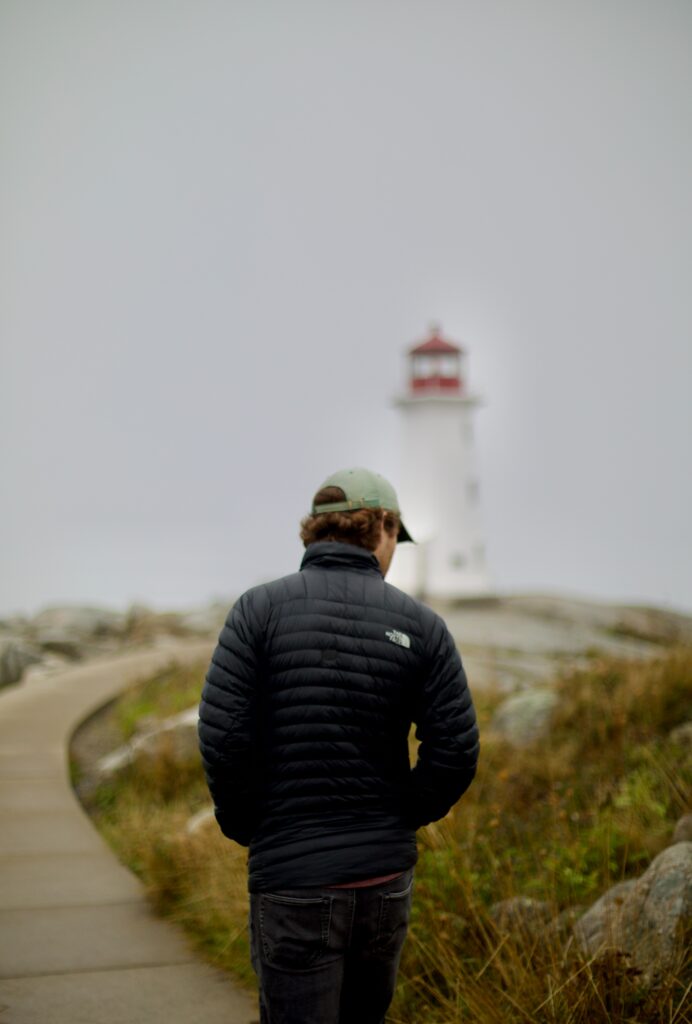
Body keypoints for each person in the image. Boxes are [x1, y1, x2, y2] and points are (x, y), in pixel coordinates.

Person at [197, 467, 479, 1024]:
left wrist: (253, 826)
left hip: (291, 882)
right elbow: (455, 751)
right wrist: (398, 817)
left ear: (316, 531)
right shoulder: (422, 626)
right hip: (383, 882)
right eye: (396, 538)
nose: (395, 550)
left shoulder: (257, 611)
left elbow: (223, 737)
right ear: (383, 525)